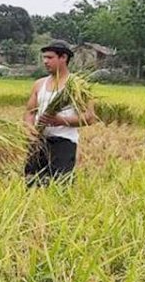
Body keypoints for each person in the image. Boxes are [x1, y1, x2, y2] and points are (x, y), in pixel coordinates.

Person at [23, 40, 96, 187]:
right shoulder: (39, 84)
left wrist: (61, 120)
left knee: (58, 185)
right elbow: (30, 113)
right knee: (31, 182)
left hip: (63, 142)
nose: (45, 61)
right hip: (39, 141)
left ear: (63, 58)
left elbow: (90, 117)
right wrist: (30, 131)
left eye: (50, 58)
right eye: (44, 57)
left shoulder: (78, 86)